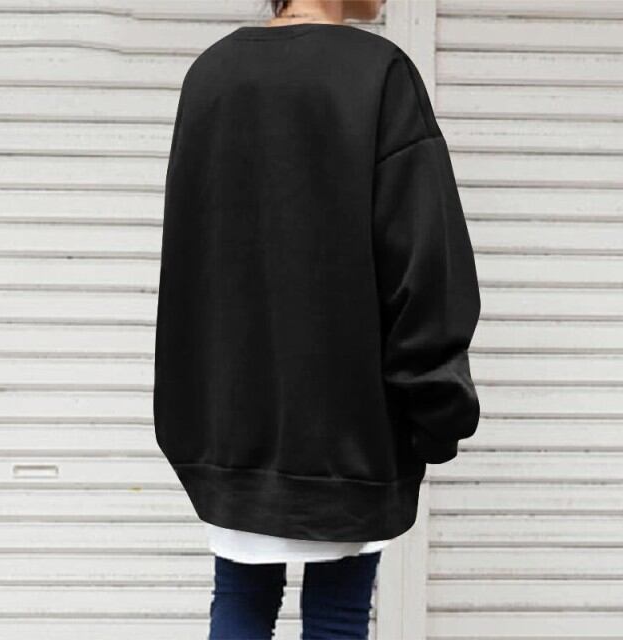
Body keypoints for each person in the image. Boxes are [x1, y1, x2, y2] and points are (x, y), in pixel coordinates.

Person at [153, 0, 481, 637]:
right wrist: (435, 410)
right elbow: (423, 262)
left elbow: (191, 261)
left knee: (239, 597)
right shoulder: (378, 72)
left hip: (228, 429)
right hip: (350, 433)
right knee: (337, 612)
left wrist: (194, 418)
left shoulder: (211, 74)